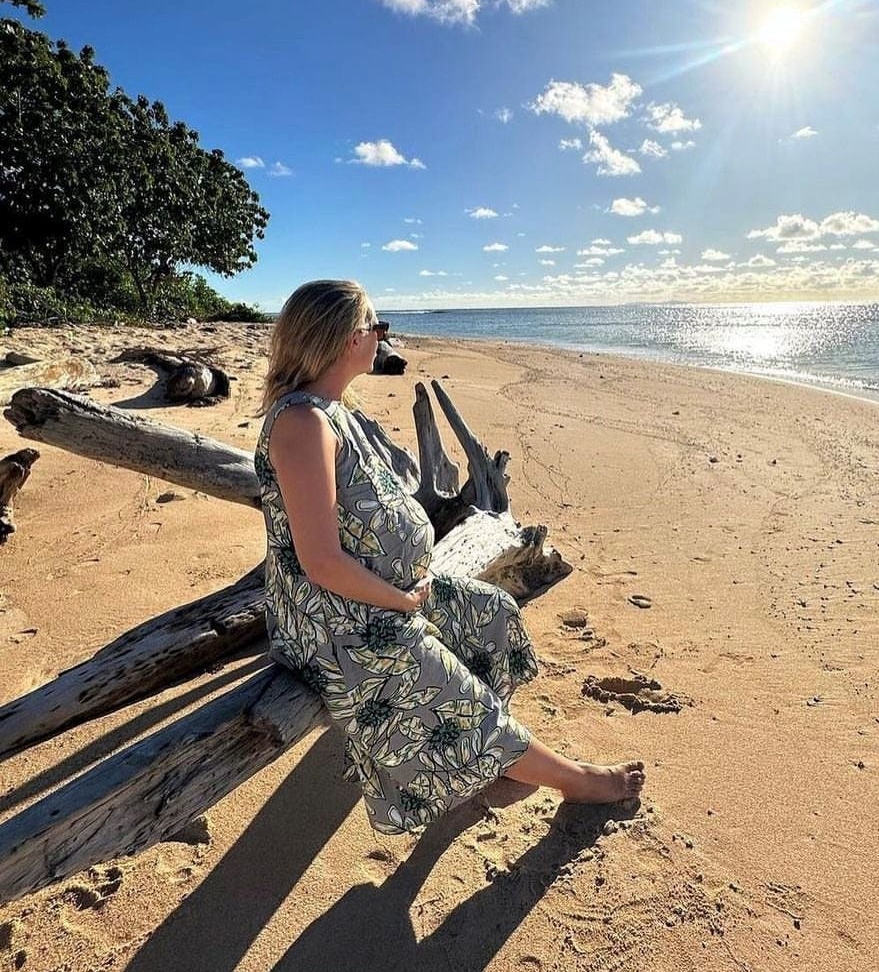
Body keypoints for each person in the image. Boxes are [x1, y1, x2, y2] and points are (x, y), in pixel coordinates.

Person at [256, 279, 644, 834]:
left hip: (376, 596)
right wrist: (399, 599)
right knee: (446, 685)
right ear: (344, 339)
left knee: (491, 615)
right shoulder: (301, 425)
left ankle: (487, 762)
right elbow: (320, 562)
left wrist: (406, 585)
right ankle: (574, 780)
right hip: (332, 621)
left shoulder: (333, 410)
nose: (383, 337)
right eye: (377, 327)